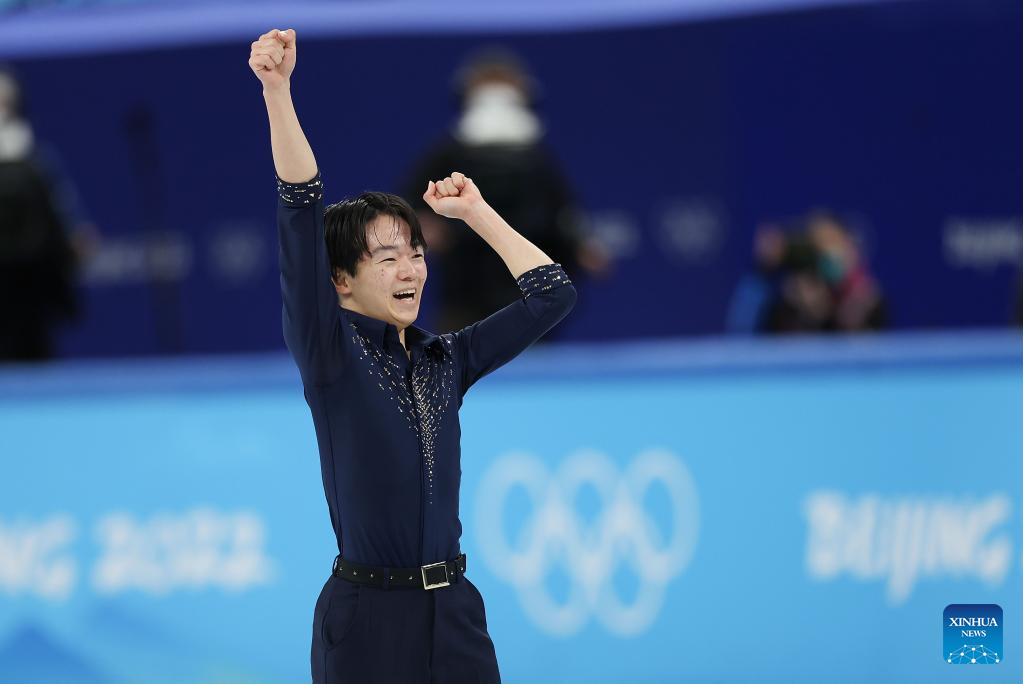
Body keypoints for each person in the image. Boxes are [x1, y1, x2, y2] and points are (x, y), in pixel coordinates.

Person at [249, 29, 576, 684]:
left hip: (454, 613)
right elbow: (299, 205)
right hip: (366, 619)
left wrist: (477, 214)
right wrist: (277, 93)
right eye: (386, 256)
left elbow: (550, 295)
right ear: (340, 281)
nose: (410, 269)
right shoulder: (329, 353)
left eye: (416, 252)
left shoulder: (444, 360)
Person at [402, 48, 606, 334]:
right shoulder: (446, 154)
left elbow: (562, 208)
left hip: (524, 272)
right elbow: (410, 201)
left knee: (529, 343)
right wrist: (421, 225)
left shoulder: (537, 158)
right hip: (466, 272)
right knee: (462, 347)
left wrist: (581, 243)